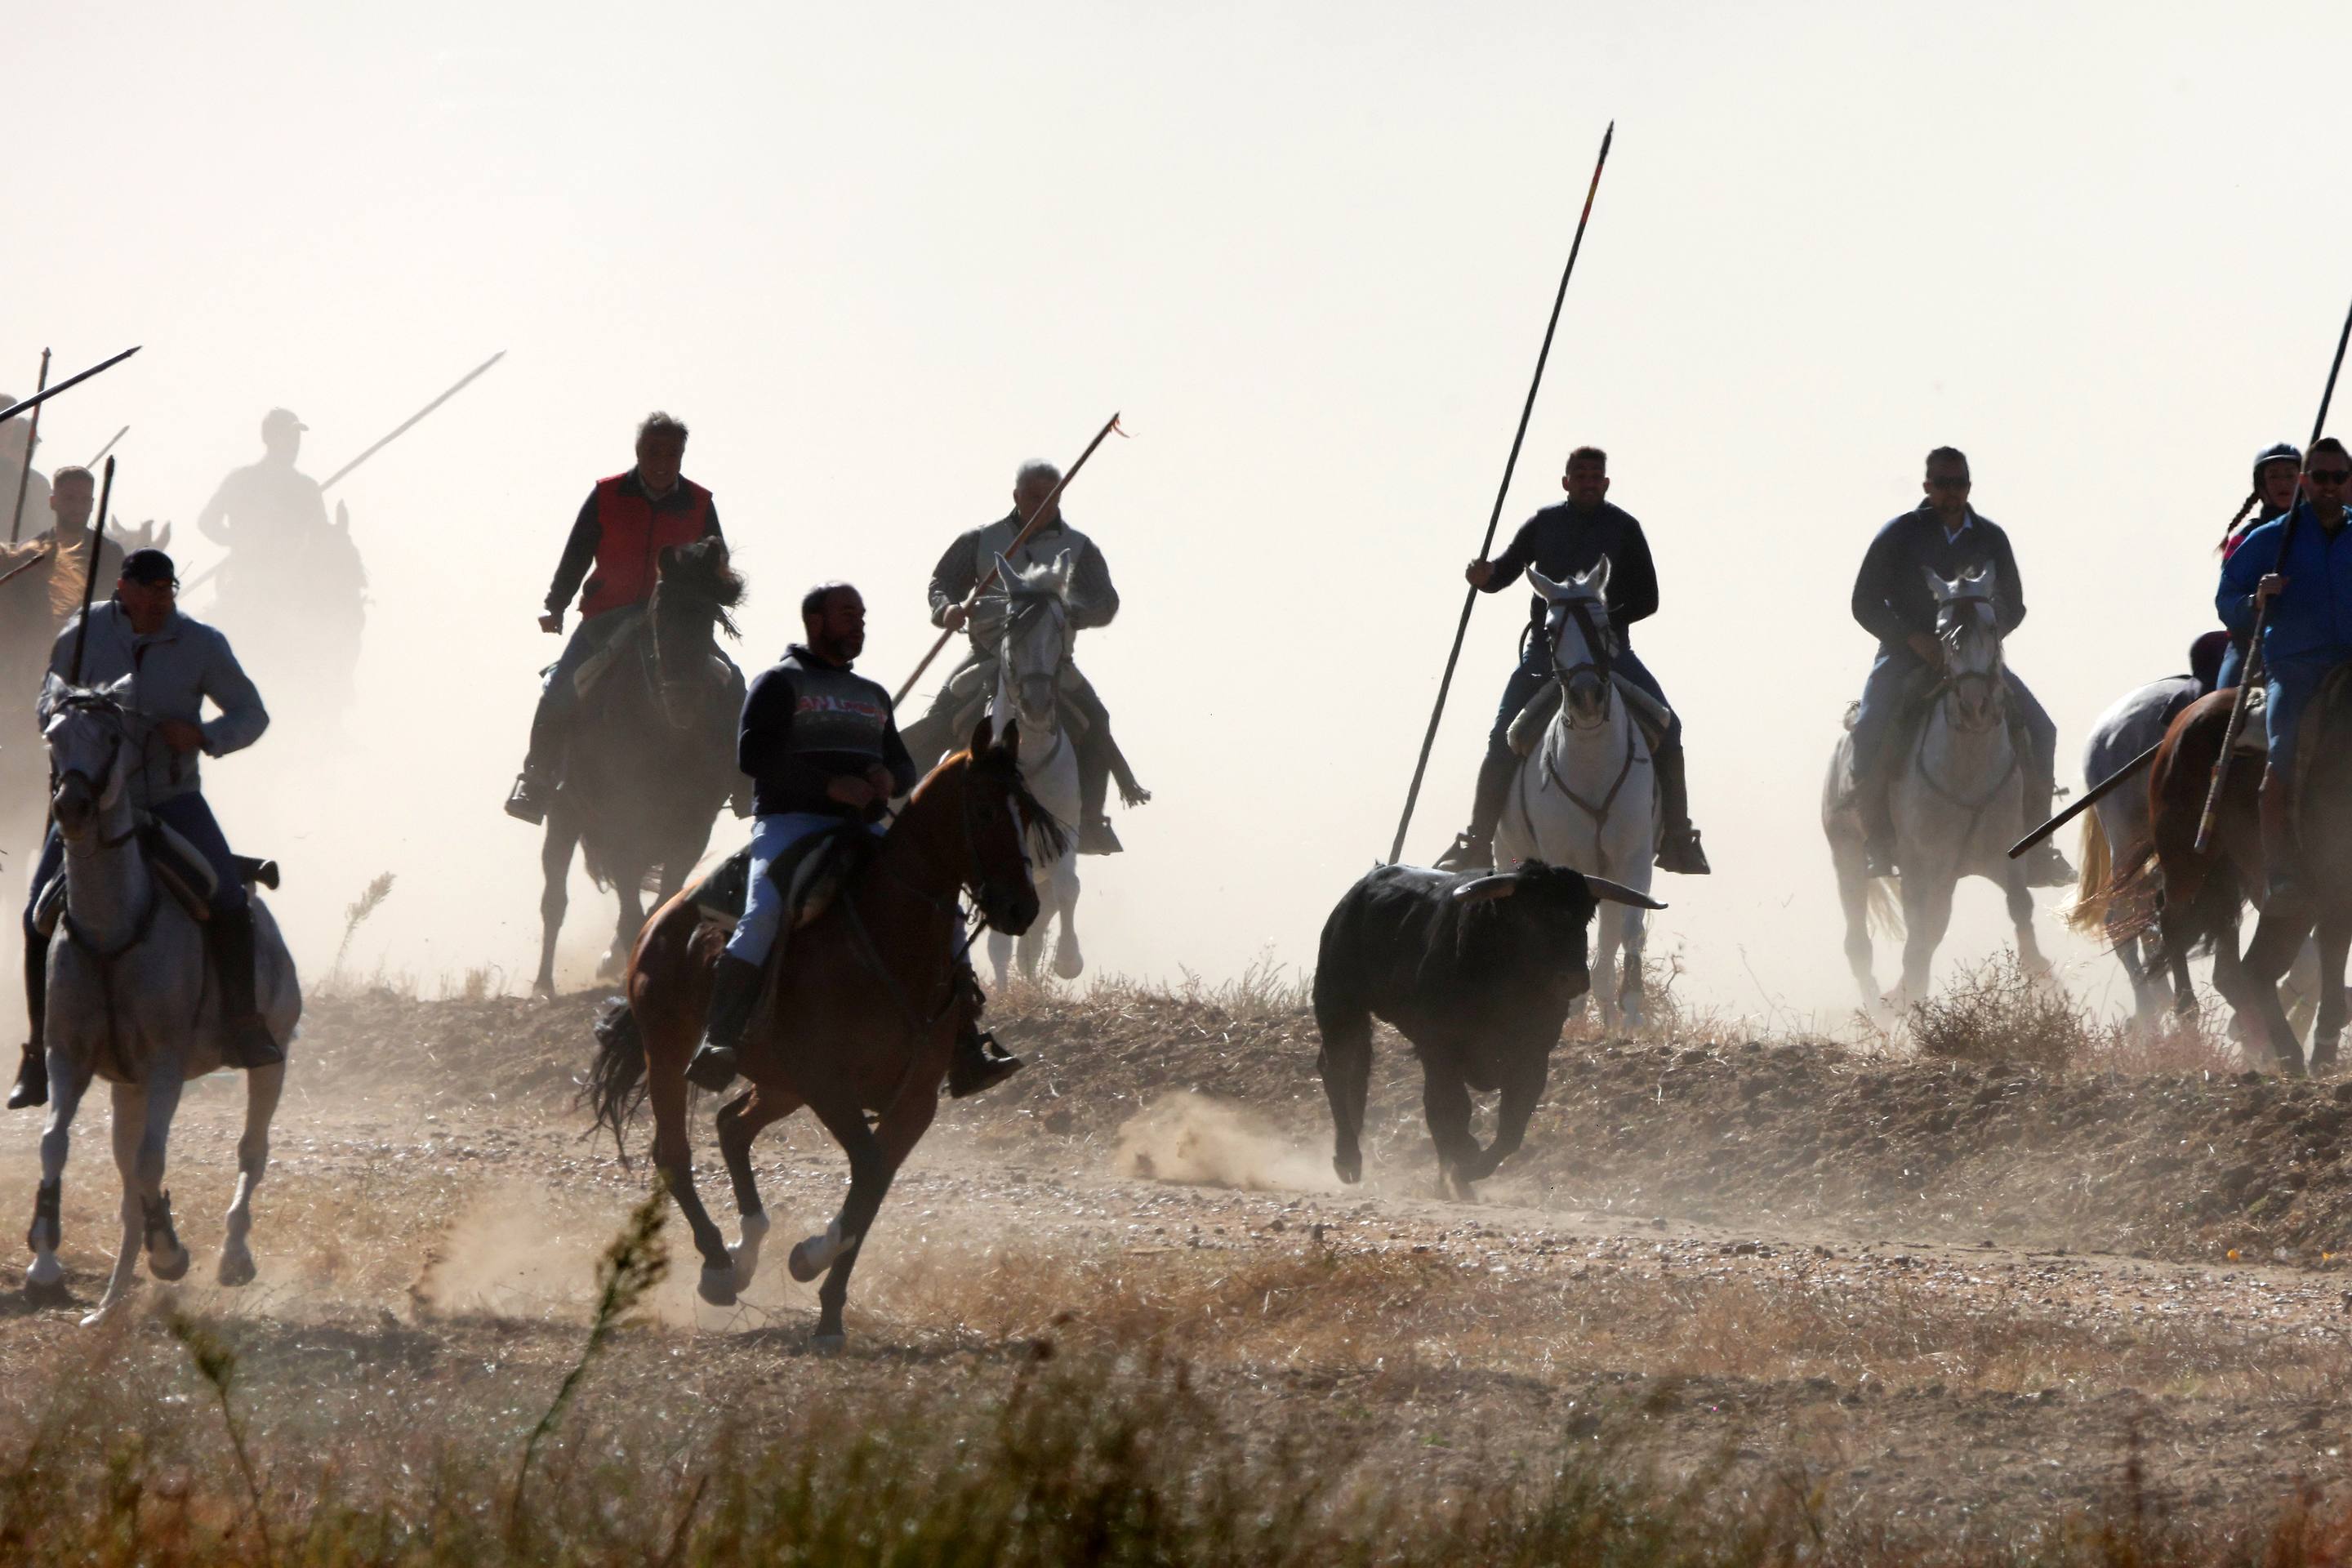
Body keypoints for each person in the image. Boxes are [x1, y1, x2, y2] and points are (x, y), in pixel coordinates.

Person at [684, 583, 1022, 1098]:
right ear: (815, 622)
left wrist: (890, 776)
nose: (859, 624)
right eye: (848, 615)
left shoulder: (873, 695)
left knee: (947, 913)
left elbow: (903, 764)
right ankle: (720, 1040)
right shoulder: (778, 682)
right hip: (790, 824)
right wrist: (829, 785)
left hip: (863, 828)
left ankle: (966, 1047)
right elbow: (754, 756)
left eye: (862, 616)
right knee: (763, 915)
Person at [10, 549, 276, 1110]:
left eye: (167, 590)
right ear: (124, 588)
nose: (160, 600)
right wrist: (68, 723)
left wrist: (203, 735)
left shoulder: (201, 644)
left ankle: (243, 1024)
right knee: (37, 913)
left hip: (172, 799)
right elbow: (44, 704)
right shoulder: (82, 633)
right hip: (91, 806)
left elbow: (252, 714)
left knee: (229, 899)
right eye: (150, 589)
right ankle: (37, 1053)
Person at [1434, 446, 1709, 875]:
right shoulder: (1543, 524)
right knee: (1502, 735)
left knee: (1668, 726)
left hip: (1610, 653)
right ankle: (1477, 841)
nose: (1588, 483)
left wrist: (1597, 622)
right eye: (1580, 476)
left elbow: (1648, 598)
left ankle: (1677, 837)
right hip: (1546, 654)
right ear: (1566, 482)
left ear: (1606, 483)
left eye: (1595, 477)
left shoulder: (1625, 528)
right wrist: (1484, 577)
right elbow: (1504, 572)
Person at [1844, 447, 2069, 884]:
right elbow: (1863, 602)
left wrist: (1985, 638)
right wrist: (1912, 638)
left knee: (2042, 729)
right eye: (1943, 484)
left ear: (1969, 486)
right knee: (1869, 728)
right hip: (1906, 653)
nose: (1952, 492)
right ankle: (1878, 842)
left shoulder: (1990, 537)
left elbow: (2015, 604)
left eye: (1959, 484)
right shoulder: (1900, 534)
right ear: (1927, 487)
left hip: (1974, 661)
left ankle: (2039, 846)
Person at [903, 461, 1130, 853]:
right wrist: (947, 609)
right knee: (941, 716)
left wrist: (1072, 613)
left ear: (1059, 498)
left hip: (1052, 664)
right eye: (1032, 496)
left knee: (1097, 720)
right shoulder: (981, 539)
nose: (1041, 504)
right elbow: (942, 582)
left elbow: (1106, 601)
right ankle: (903, 805)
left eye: (1049, 497)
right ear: (1016, 496)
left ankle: (1090, 820)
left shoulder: (1080, 548)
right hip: (988, 655)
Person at [506, 412, 724, 822]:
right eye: (653, 451)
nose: (662, 462)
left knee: (733, 683)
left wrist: (708, 597)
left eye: (672, 453)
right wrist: (556, 604)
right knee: (559, 691)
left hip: (674, 623)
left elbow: (716, 563)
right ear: (638, 451)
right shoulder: (607, 495)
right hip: (606, 616)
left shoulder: (699, 502)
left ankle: (741, 781)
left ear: (682, 456)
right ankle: (536, 781)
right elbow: (577, 553)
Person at [2216, 439, 2352, 899]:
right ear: (2306, 482)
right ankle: (2281, 869)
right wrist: (2256, 598)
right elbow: (2226, 598)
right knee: (2286, 745)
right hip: (2296, 664)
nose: (2330, 486)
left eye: (2339, 477)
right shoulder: (2273, 538)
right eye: (2321, 477)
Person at [2207, 442, 2306, 693]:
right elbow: (2227, 602)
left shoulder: (2324, 534)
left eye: (2290, 475)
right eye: (2274, 476)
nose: (2283, 483)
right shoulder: (2245, 539)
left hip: (2314, 647)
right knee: (2226, 705)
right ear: (2261, 485)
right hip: (2250, 647)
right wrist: (2256, 601)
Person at [26, 466, 124, 624]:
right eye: (69, 498)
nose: (77, 507)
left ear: (92, 504)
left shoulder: (109, 554)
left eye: (84, 500)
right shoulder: (33, 554)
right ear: (53, 502)